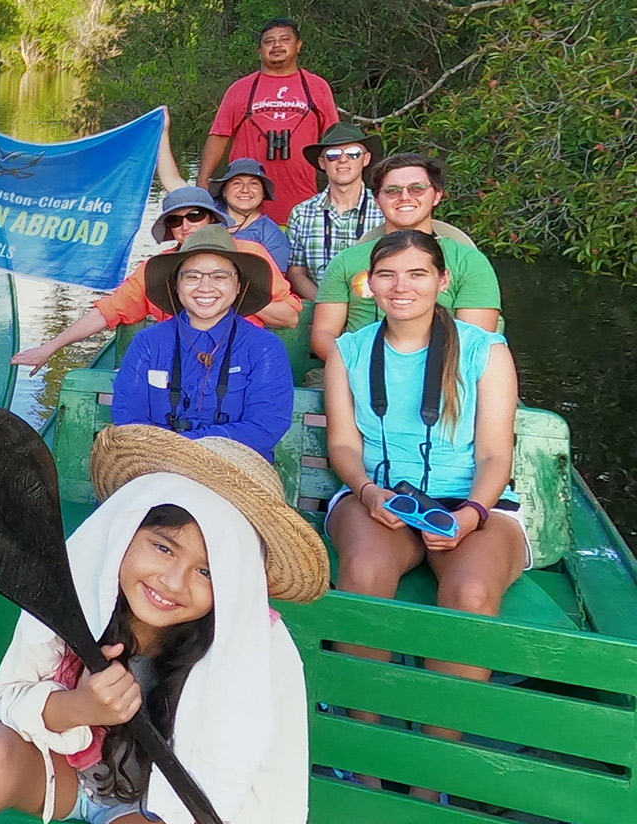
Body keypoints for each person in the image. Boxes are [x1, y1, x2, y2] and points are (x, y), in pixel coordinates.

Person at [0, 424, 324, 824]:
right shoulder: (78, 587)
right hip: (70, 774)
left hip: (165, 811)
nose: (173, 582)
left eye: (208, 572)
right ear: (127, 529)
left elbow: (274, 791)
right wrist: (80, 707)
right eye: (163, 547)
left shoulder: (261, 648)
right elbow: (9, 699)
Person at [322, 231, 520, 799]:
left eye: (415, 274)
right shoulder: (351, 350)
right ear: (370, 285)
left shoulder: (486, 349)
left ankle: (432, 767)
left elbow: (494, 455)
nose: (400, 287)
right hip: (380, 495)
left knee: (472, 593)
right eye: (387, 276)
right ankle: (364, 749)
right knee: (362, 570)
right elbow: (342, 446)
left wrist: (473, 514)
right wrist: (365, 491)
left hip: (471, 503)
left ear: (442, 281)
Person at [11, 187, 301, 375]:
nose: (186, 226)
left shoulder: (251, 255)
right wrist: (50, 347)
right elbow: (107, 311)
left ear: (212, 220)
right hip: (179, 368)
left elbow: (289, 317)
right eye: (175, 221)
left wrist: (232, 294)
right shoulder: (157, 268)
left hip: (241, 364)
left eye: (195, 216)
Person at [111, 227, 294, 460]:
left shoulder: (265, 348)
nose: (205, 287)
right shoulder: (148, 343)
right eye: (192, 276)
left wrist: (185, 448)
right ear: (176, 286)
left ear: (238, 286)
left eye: (219, 276)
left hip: (236, 471)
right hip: (154, 464)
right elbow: (128, 418)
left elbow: (265, 428)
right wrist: (172, 455)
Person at [310, 152, 500, 363]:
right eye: (392, 191)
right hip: (355, 367)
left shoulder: (470, 262)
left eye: (417, 188)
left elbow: (474, 342)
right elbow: (323, 334)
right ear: (377, 200)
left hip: (445, 372)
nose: (405, 197)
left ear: (436, 195)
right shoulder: (346, 261)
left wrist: (410, 375)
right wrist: (359, 368)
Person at [200, 18, 340, 223]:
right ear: (259, 50)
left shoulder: (317, 87)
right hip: (246, 209)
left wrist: (341, 188)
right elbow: (219, 136)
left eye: (284, 39)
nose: (277, 45)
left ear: (298, 45)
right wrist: (203, 181)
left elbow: (334, 140)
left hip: (303, 203)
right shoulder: (240, 89)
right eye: (269, 41)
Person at [286, 122, 385, 300]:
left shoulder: (385, 208)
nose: (343, 160)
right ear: (322, 163)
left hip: (374, 310)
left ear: (366, 159)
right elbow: (296, 272)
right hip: (320, 309)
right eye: (333, 155)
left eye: (353, 153)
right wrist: (328, 304)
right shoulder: (301, 213)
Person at [206, 158, 293, 272]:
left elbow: (278, 281)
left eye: (254, 184)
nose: (245, 190)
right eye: (237, 183)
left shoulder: (271, 234)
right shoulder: (207, 216)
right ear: (224, 192)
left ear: (263, 193)